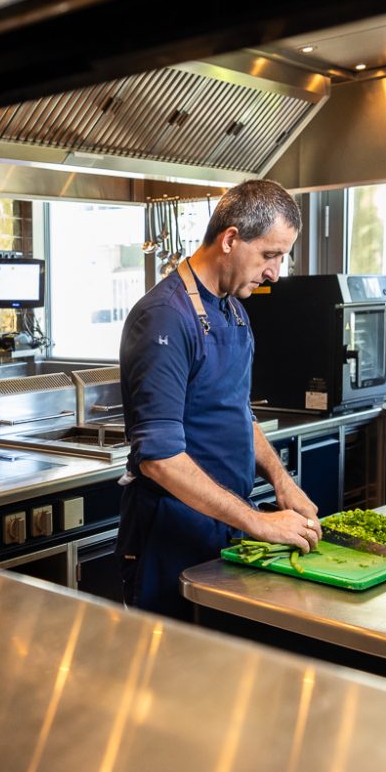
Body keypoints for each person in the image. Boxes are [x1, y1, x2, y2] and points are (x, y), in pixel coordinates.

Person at [117, 180, 320, 617]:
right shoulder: (164, 318)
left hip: (224, 532)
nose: (275, 273)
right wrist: (258, 521)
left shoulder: (234, 310)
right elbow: (160, 459)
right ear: (230, 240)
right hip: (170, 537)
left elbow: (237, 411)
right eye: (269, 255)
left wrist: (281, 481)